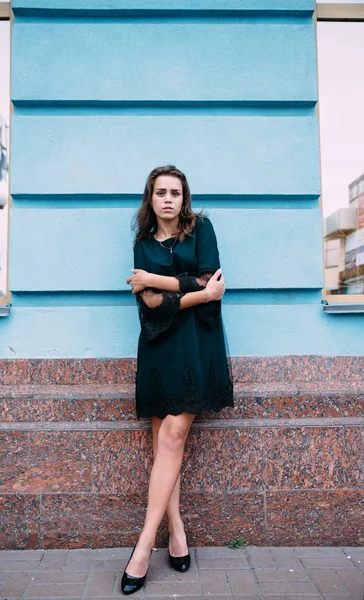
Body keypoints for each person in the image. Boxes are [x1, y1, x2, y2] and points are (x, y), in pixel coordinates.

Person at [122, 165, 234, 595]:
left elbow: (212, 278)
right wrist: (195, 294)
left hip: (197, 345)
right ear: (149, 199)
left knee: (172, 436)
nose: (168, 198)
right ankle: (177, 531)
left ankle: (143, 547)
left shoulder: (202, 228)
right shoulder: (141, 245)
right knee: (161, 440)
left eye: (175, 192)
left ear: (184, 197)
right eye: (160, 192)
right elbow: (150, 305)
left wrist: (162, 283)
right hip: (158, 345)